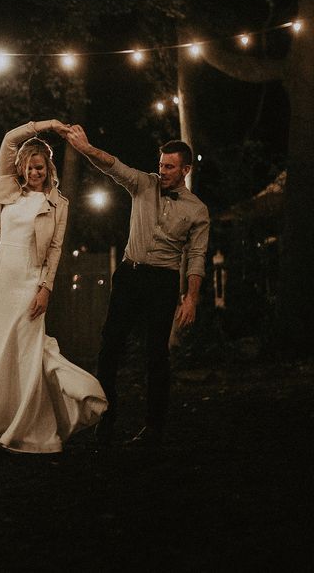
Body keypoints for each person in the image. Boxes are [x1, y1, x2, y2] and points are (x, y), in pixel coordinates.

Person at [0, 120, 107, 454]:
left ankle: (30, 426)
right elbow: (9, 137)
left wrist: (46, 288)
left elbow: (55, 250)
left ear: (48, 167)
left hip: (31, 280)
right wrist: (48, 125)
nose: (33, 172)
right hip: (2, 278)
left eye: (39, 167)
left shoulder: (59, 204)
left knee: (29, 351)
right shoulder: (9, 190)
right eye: (28, 167)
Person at [60, 124, 210, 447]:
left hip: (163, 281)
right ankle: (106, 418)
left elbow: (197, 256)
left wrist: (191, 297)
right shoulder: (143, 184)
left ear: (185, 169)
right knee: (110, 345)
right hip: (130, 275)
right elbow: (113, 165)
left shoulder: (197, 210)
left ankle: (154, 428)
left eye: (170, 167)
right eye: (161, 165)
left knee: (157, 355)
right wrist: (86, 148)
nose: (163, 171)